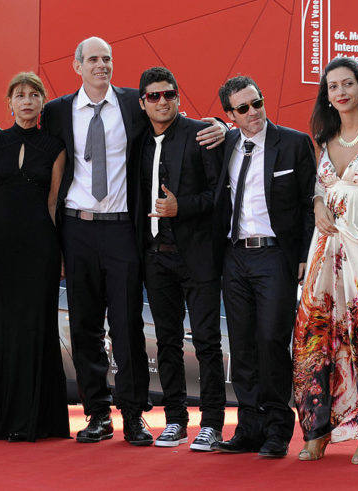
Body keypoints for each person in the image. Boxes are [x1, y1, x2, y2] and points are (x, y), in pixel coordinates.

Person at [0, 36, 225, 446]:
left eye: (106, 58)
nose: (101, 65)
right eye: (93, 59)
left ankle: (134, 416)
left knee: (126, 327)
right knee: (85, 326)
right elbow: (20, 129)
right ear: (77, 66)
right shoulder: (56, 111)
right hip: (76, 229)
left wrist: (220, 125)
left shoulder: (131, 104)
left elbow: (170, 117)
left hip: (123, 228)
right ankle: (97, 414)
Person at [292, 57, 358, 464]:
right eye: (332, 86)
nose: (340, 91)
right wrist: (319, 202)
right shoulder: (324, 136)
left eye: (348, 84)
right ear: (327, 95)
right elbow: (323, 187)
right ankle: (318, 430)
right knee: (314, 338)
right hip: (324, 253)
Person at [211, 76, 315, 458]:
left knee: (272, 341)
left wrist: (305, 254)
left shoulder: (294, 143)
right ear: (230, 115)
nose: (253, 112)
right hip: (235, 255)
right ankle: (249, 427)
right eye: (243, 108)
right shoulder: (225, 145)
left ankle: (277, 428)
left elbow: (309, 205)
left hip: (276, 256)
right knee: (241, 345)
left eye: (257, 102)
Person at [0, 72, 69, 442]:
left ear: (43, 102)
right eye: (20, 95)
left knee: (37, 329)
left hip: (40, 248)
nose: (27, 101)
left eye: (34, 95)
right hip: (1, 247)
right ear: (9, 103)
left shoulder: (55, 147)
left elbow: (54, 202)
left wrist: (58, 253)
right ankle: (0, 417)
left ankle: (35, 419)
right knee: (3, 330)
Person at [133, 67, 225, 451]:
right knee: (166, 341)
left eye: (168, 94)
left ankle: (213, 424)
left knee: (205, 341)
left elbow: (218, 196)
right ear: (142, 103)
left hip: (197, 256)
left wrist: (179, 208)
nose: (162, 101)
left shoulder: (200, 134)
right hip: (155, 257)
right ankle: (174, 420)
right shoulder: (138, 141)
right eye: (153, 96)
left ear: (178, 96)